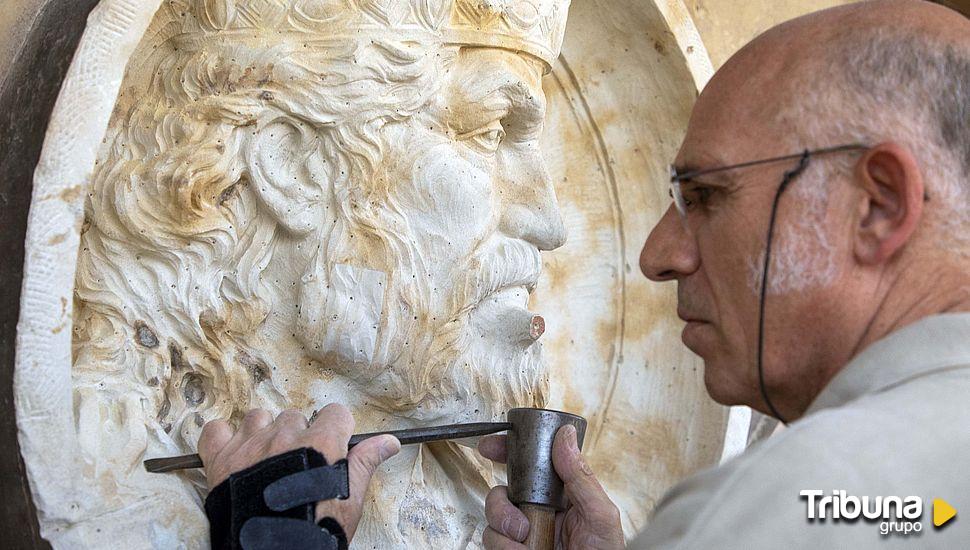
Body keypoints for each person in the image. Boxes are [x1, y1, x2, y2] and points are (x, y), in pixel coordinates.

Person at [197, 0, 970, 547]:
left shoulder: (787, 508)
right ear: (294, 171)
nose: (655, 255)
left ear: (878, 207)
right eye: (493, 132)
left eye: (706, 196)